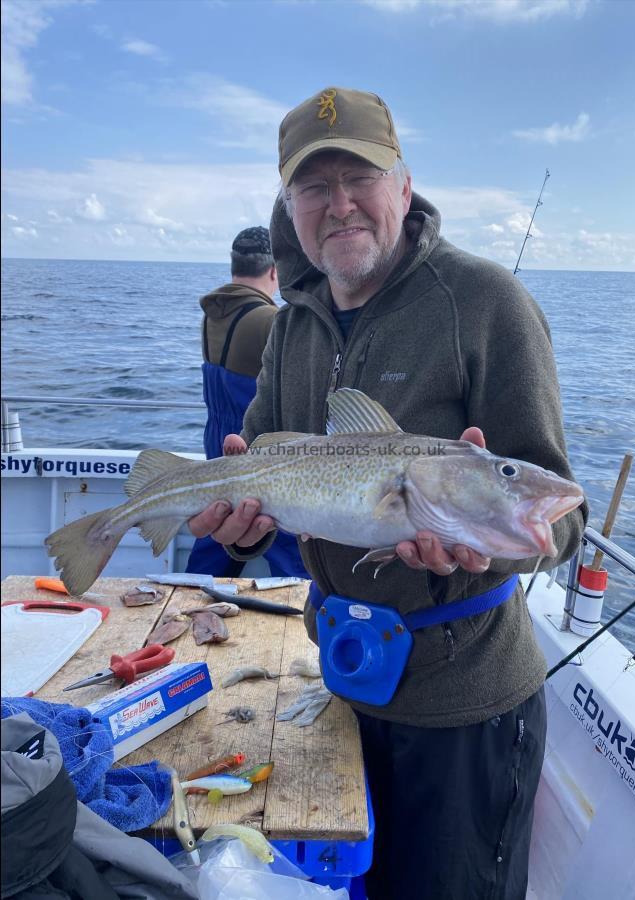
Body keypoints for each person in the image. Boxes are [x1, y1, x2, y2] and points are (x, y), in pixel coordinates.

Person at [189, 87, 588, 899]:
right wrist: (234, 534)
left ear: (403, 187)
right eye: (313, 186)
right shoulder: (292, 322)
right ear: (288, 206)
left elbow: (565, 520)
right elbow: (260, 490)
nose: (339, 205)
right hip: (340, 678)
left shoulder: (485, 305)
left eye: (359, 177)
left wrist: (479, 543)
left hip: (462, 705)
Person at [185, 226, 307, 578]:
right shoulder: (272, 320)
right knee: (285, 546)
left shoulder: (213, 315)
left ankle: (187, 609)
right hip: (259, 457)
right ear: (275, 271)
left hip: (218, 445)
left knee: (213, 535)